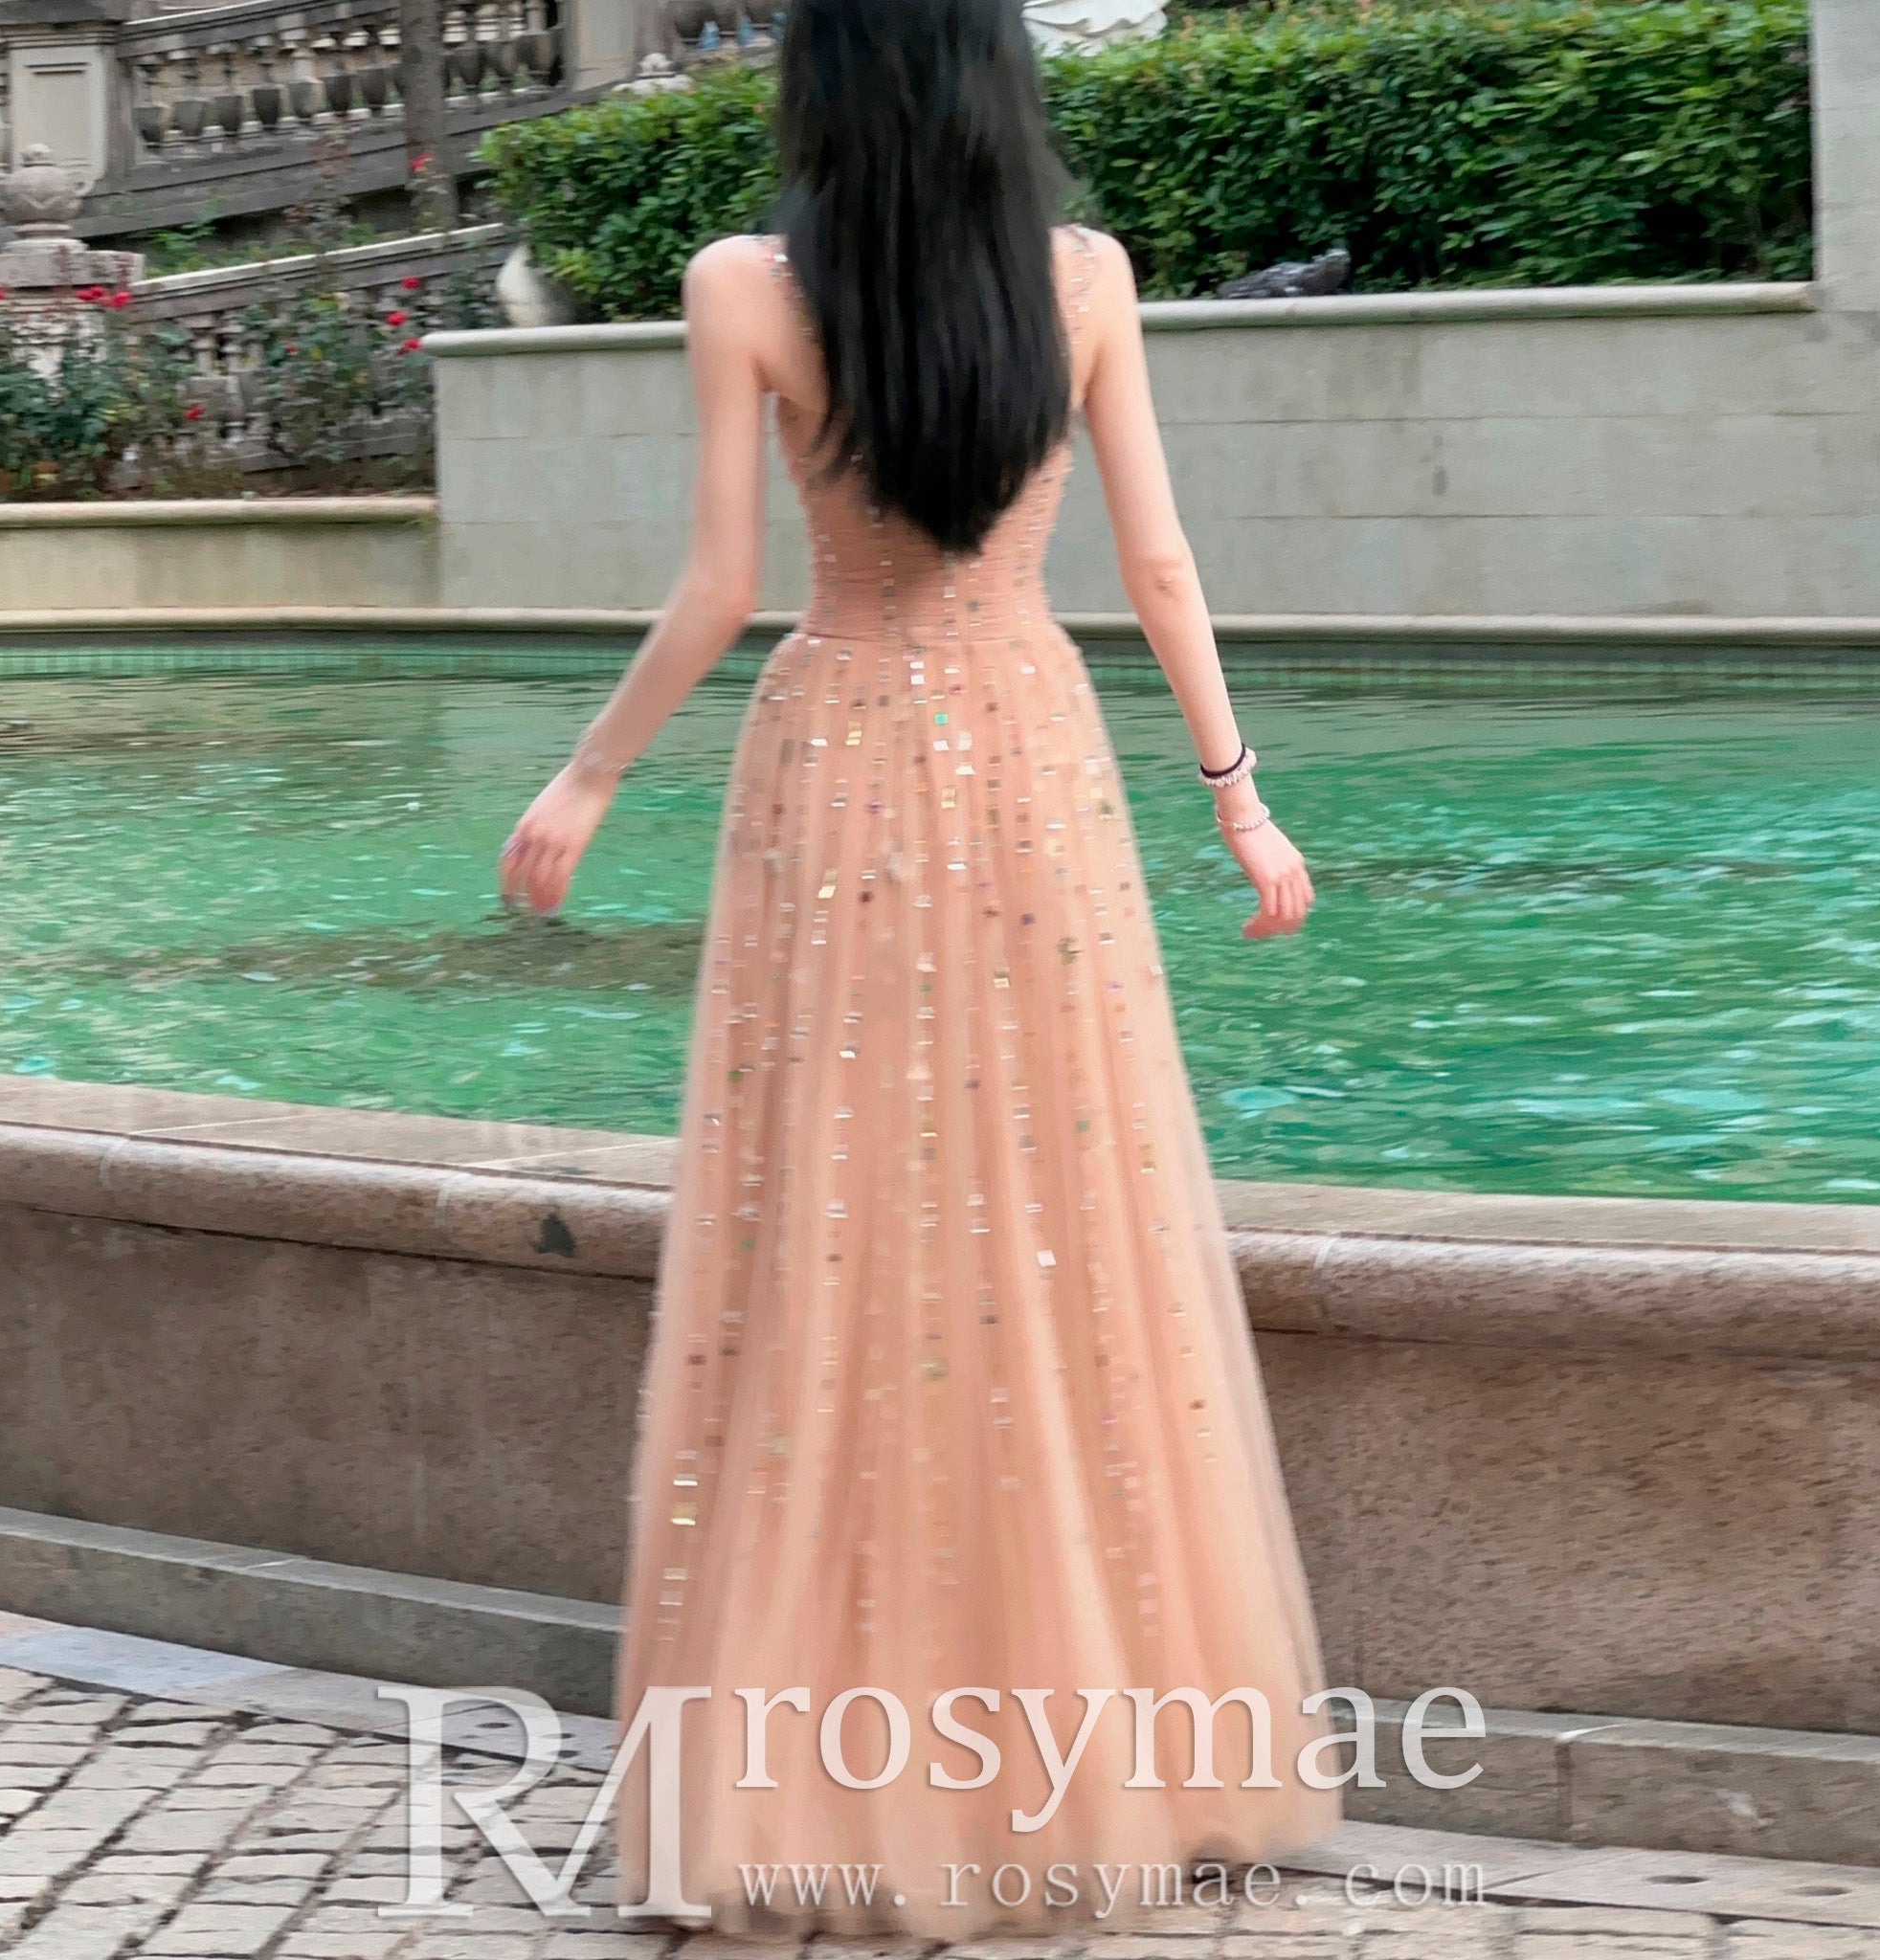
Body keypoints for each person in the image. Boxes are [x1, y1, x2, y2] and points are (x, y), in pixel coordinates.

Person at [499, 0, 1337, 1934]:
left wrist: (586, 775)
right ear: (994, 77)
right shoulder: (1087, 279)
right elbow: (1161, 565)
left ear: (824, 77)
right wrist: (1238, 802)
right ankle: (1113, 1753)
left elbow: (722, 587)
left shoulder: (742, 288)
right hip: (1034, 755)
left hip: (839, 766)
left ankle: (816, 1779)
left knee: (831, 1234)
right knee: (1066, 1225)